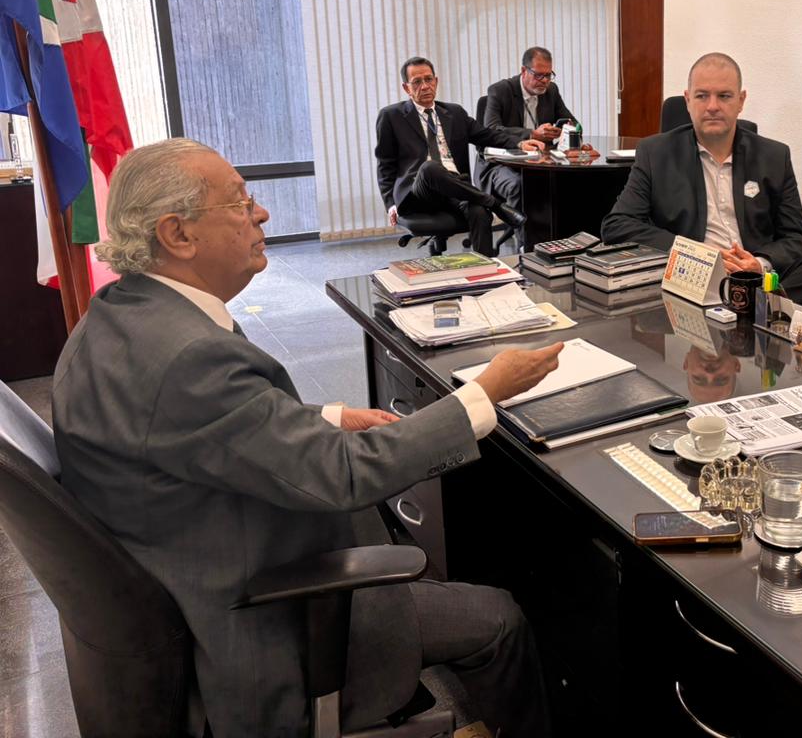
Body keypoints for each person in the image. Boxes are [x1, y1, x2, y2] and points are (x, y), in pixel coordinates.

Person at [53, 139, 562, 738]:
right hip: (262, 622)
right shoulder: (189, 357)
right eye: (239, 203)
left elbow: (211, 429)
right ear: (178, 234)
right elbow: (341, 476)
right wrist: (483, 393)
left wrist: (330, 416)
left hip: (196, 568)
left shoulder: (122, 314)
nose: (261, 213)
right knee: (497, 617)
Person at [602, 52, 802, 312]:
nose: (712, 106)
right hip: (691, 282)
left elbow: (797, 240)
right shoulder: (656, 153)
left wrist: (759, 264)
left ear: (741, 101)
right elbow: (617, 225)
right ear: (688, 100)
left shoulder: (774, 156)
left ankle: (759, 310)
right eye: (702, 96)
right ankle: (764, 315)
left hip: (756, 281)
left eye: (724, 96)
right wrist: (697, 255)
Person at [376, 57, 542, 256]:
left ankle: (486, 268)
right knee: (430, 167)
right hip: (419, 191)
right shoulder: (391, 116)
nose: (425, 86)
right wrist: (390, 204)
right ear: (406, 88)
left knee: (479, 211)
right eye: (417, 82)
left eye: (428, 79)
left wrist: (519, 143)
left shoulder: (454, 112)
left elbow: (487, 135)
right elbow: (385, 164)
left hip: (455, 187)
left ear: (436, 81)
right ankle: (496, 205)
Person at [479, 46, 596, 211]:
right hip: (501, 164)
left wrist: (563, 131)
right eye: (539, 75)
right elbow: (491, 130)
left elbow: (574, 124)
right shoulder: (500, 90)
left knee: (575, 180)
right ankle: (522, 228)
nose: (545, 81)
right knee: (520, 185)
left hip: (540, 161)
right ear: (524, 71)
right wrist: (532, 134)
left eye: (548, 75)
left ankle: (557, 227)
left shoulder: (551, 91)